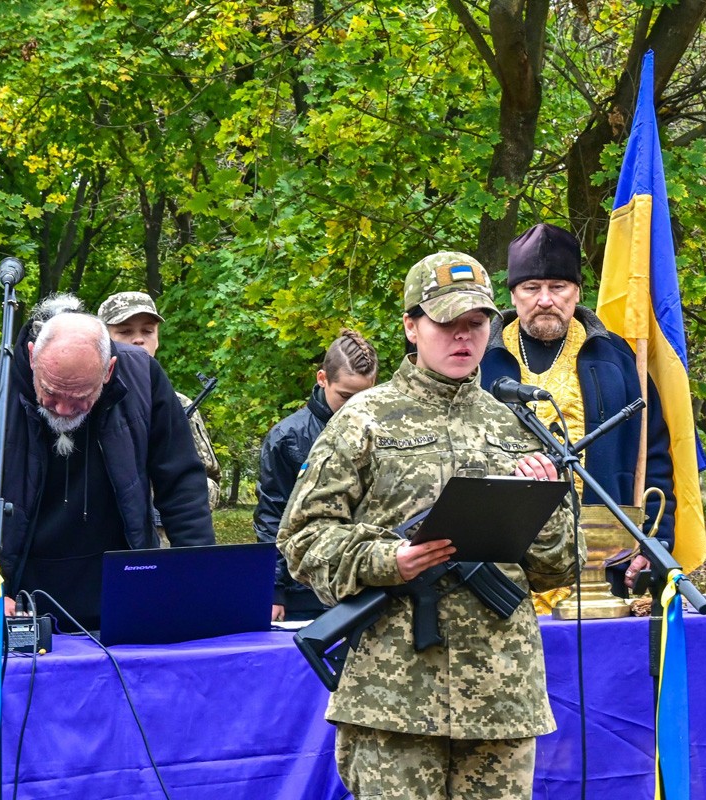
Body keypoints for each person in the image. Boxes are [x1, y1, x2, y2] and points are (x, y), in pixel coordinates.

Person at [279, 252, 582, 799]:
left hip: (500, 695)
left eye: (477, 324)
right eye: (447, 323)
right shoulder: (364, 418)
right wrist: (386, 560)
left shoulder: (516, 423)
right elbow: (302, 538)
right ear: (411, 326)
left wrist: (542, 511)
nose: (464, 337)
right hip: (395, 694)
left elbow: (560, 566)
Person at [0, 297, 215, 631]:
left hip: (125, 590)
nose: (65, 411)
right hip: (23, 602)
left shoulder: (142, 377)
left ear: (108, 369)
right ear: (32, 356)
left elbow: (181, 485)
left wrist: (197, 577)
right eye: (51, 393)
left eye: (81, 397)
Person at [480, 223, 675, 559]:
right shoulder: (481, 359)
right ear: (512, 294)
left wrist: (654, 542)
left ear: (578, 291)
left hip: (603, 554)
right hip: (499, 554)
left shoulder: (618, 358)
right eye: (531, 287)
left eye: (558, 286)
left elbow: (654, 452)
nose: (545, 300)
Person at [254, 329, 378, 622]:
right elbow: (271, 515)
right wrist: (274, 591)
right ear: (322, 379)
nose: (354, 407)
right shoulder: (287, 437)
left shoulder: (384, 432)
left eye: (365, 396)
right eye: (345, 396)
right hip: (303, 590)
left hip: (365, 587)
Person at [98, 291, 221, 509]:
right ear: (102, 339)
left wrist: (169, 484)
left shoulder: (178, 405)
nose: (138, 339)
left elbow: (211, 481)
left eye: (148, 331)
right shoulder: (84, 402)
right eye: (125, 331)